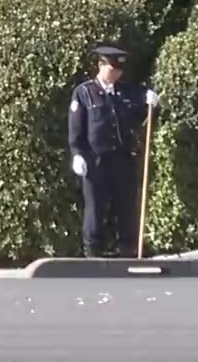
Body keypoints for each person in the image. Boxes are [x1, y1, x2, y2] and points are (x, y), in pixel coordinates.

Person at [67, 42, 158, 258]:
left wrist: (151, 102)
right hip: (95, 159)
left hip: (121, 158)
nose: (116, 73)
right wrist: (77, 153)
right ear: (100, 65)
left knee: (125, 205)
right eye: (112, 68)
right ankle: (93, 252)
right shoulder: (84, 93)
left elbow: (142, 113)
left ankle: (128, 250)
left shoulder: (125, 92)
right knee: (95, 207)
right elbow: (76, 127)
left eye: (119, 70)